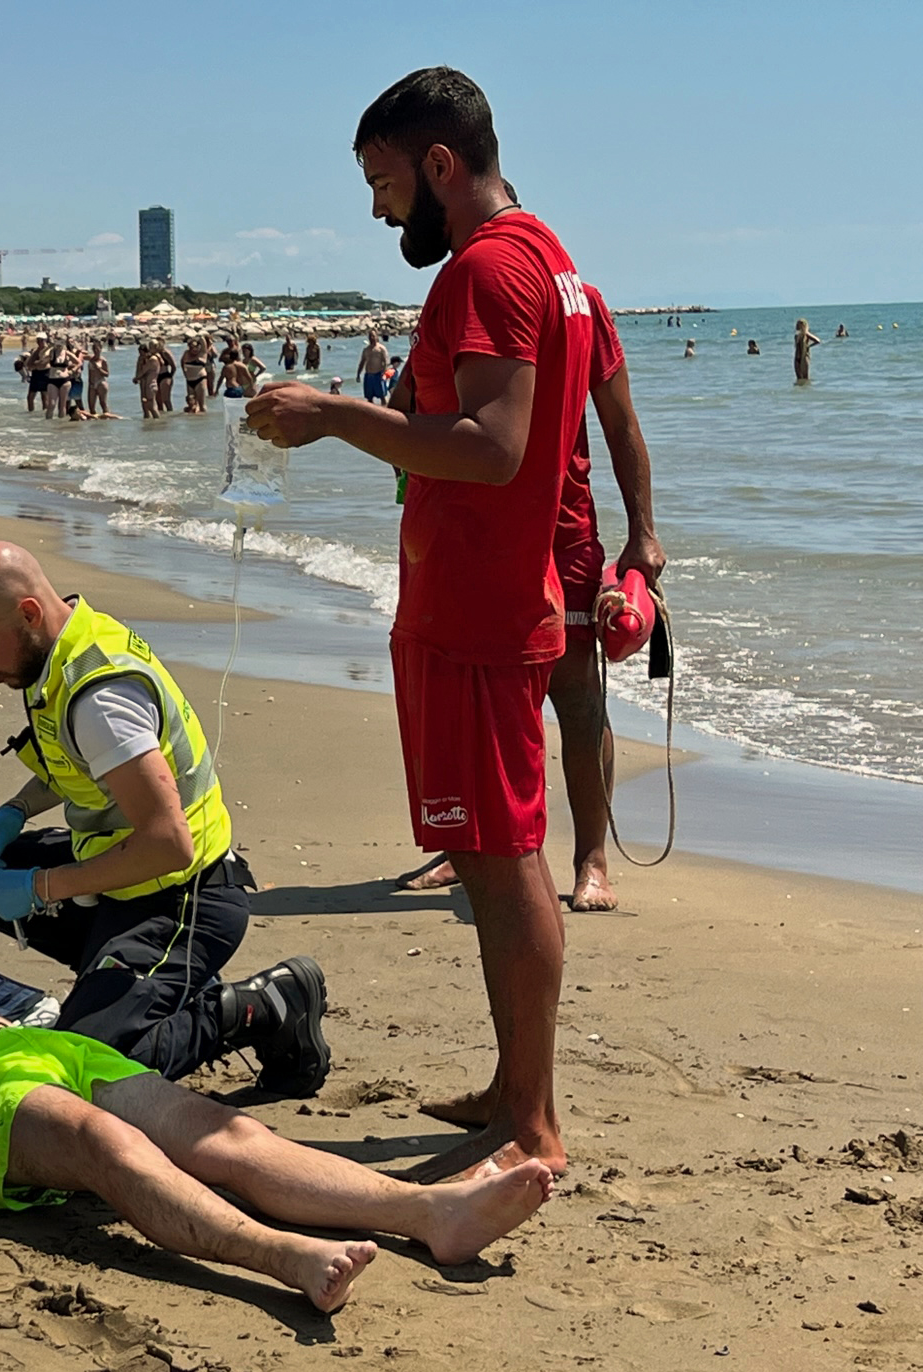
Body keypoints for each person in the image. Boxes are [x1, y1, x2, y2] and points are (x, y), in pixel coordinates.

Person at [243, 66, 590, 1179]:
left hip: (478, 611)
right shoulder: (551, 257)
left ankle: (530, 1119)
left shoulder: (488, 268)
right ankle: (513, 1084)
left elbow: (493, 447)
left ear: (440, 165)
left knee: (500, 856)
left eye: (386, 183)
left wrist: (339, 414)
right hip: (497, 596)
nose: (380, 210)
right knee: (492, 850)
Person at [0, 541, 328, 1088]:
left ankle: (256, 1006)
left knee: (86, 1076)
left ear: (28, 613)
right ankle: (124, 982)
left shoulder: (101, 697)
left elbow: (170, 843)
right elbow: (79, 759)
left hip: (184, 895)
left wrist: (41, 887)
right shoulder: (60, 646)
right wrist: (16, 808)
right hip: (118, 877)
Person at [0, 992, 549, 1310]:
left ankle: (429, 1212)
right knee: (102, 1142)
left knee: (224, 1131)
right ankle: (281, 1255)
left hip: (32, 1044)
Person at [398, 282, 666, 913]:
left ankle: (590, 860)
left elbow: (619, 418)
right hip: (469, 539)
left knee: (575, 691)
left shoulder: (579, 303)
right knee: (474, 697)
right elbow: (410, 409)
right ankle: (470, 847)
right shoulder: (460, 298)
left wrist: (643, 533)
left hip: (561, 529)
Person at [357, 329, 391, 402]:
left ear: (376, 337)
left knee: (382, 396)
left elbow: (385, 362)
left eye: (373, 336)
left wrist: (384, 373)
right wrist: (358, 374)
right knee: (369, 398)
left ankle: (384, 411)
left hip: (378, 375)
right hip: (368, 375)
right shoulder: (366, 349)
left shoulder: (381, 349)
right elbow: (362, 362)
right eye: (370, 336)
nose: (371, 338)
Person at [794, 318, 820, 382]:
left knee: (806, 377)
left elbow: (817, 341)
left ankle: (807, 390)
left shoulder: (806, 334)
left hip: (805, 356)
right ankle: (800, 390)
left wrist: (808, 346)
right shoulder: (797, 335)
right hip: (797, 358)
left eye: (799, 324)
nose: (797, 325)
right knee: (799, 378)